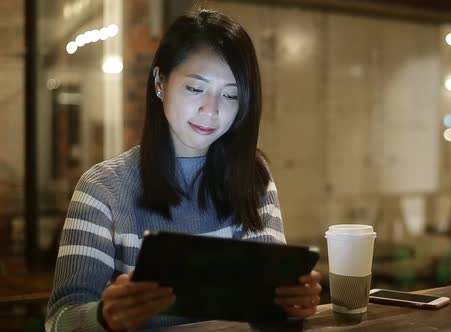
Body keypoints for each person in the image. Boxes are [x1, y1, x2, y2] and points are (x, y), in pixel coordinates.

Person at [45, 8, 322, 332]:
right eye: (195, 88)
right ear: (160, 82)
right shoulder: (103, 188)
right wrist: (104, 316)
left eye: (231, 95)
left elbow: (268, 307)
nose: (212, 110)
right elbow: (60, 320)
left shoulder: (252, 176)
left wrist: (291, 304)